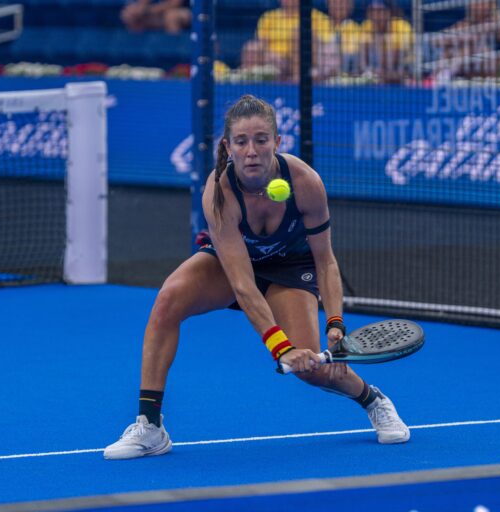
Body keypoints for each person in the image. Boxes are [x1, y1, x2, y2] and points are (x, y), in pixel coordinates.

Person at [104, 95, 410, 460]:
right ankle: (150, 426)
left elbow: (326, 262)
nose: (252, 151)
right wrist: (281, 349)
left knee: (312, 371)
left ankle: (372, 400)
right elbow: (242, 284)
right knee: (168, 299)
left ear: (277, 142)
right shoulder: (219, 192)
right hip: (235, 265)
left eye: (261, 140)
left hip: (291, 268)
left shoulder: (306, 183)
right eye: (242, 141)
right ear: (227, 147)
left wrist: (335, 323)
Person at [359, 0, 413, 83]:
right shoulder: (366, 26)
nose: (375, 16)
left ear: (389, 13)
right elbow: (363, 55)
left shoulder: (401, 26)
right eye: (372, 12)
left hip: (406, 69)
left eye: (379, 11)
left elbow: (396, 57)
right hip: (379, 71)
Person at [120, 0, 192, 35]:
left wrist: (151, 10)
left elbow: (175, 4)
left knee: (171, 16)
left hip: (186, 11)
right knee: (129, 14)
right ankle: (137, 51)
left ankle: (174, 48)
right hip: (159, 14)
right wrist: (138, 10)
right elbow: (142, 5)